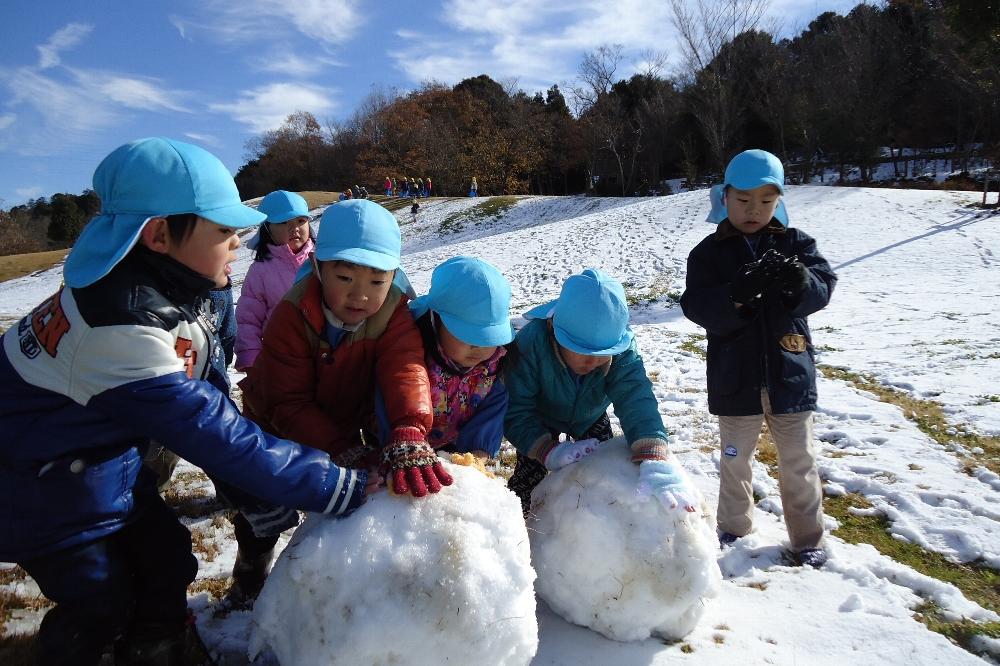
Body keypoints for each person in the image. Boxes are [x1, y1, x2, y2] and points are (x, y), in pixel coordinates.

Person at [0, 137, 371, 666]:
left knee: (168, 561)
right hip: (40, 492)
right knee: (103, 600)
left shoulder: (161, 289)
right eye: (224, 231)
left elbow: (207, 389)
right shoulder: (117, 332)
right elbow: (209, 429)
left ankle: (158, 646)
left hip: (94, 472)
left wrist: (254, 488)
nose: (239, 244)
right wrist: (336, 484)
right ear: (158, 235)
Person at [237, 199, 451, 593]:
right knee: (266, 512)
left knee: (356, 496)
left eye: (376, 280)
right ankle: (251, 570)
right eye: (345, 278)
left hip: (348, 412)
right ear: (319, 269)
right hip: (275, 423)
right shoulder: (292, 314)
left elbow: (404, 367)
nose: (361, 296)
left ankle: (343, 580)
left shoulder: (394, 309)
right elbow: (288, 402)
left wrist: (408, 427)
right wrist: (341, 447)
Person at [680, 149, 837, 568]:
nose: (754, 210)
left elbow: (822, 287)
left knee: (799, 462)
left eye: (766, 201)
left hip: (790, 375)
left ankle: (807, 539)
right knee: (735, 460)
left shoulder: (796, 243)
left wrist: (800, 282)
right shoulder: (709, 254)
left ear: (779, 200)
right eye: (744, 200)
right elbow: (695, 304)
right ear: (724, 197)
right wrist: (736, 295)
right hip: (735, 380)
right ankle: (735, 525)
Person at [504, 268, 696, 517]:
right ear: (554, 330)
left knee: (602, 471)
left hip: (590, 414)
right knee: (528, 481)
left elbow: (635, 396)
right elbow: (516, 407)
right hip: (539, 418)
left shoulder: (621, 348)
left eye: (602, 354)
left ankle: (590, 523)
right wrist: (546, 450)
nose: (593, 361)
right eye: (582, 351)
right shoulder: (532, 343)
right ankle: (524, 528)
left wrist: (654, 455)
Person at [400, 256, 514, 460]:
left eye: (489, 338)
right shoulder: (412, 355)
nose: (479, 347)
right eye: (467, 335)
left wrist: (477, 454)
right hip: (404, 448)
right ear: (436, 320)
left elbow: (491, 411)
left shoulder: (492, 369)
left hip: (453, 445)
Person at [235, 190, 314, 371]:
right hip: (281, 357)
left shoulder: (321, 260)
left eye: (300, 221)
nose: (294, 228)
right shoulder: (261, 270)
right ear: (268, 229)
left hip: (323, 353)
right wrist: (250, 358)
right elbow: (248, 320)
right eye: (283, 222)